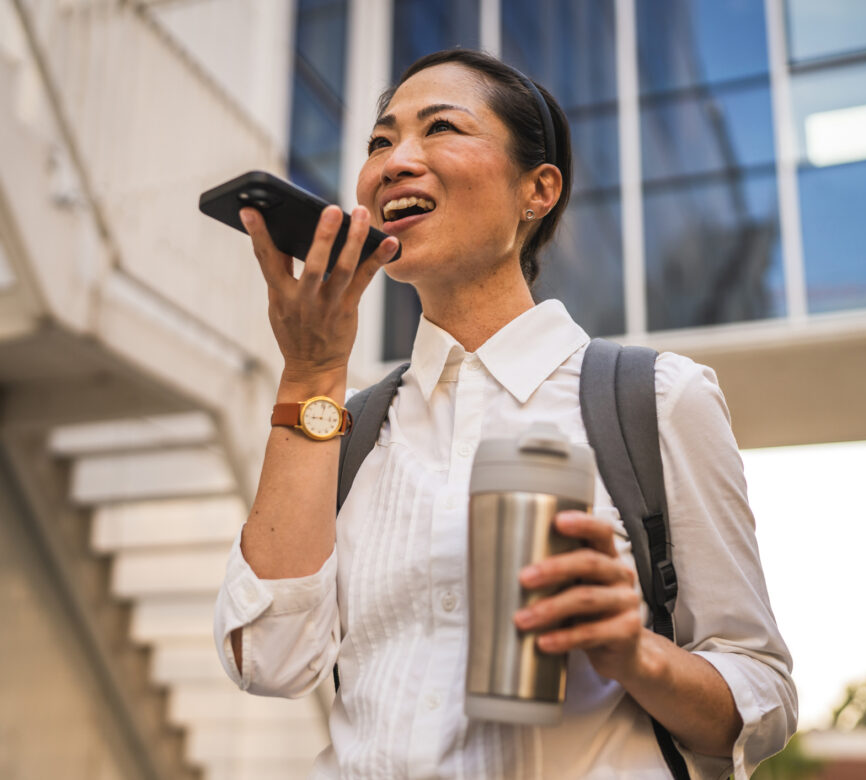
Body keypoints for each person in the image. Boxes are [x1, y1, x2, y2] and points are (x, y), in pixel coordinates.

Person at [214, 48, 796, 779]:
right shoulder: (345, 426)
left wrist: (635, 653)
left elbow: (763, 695)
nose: (396, 160)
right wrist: (310, 375)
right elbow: (266, 661)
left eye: (442, 129)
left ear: (538, 190)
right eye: (380, 141)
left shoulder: (655, 399)